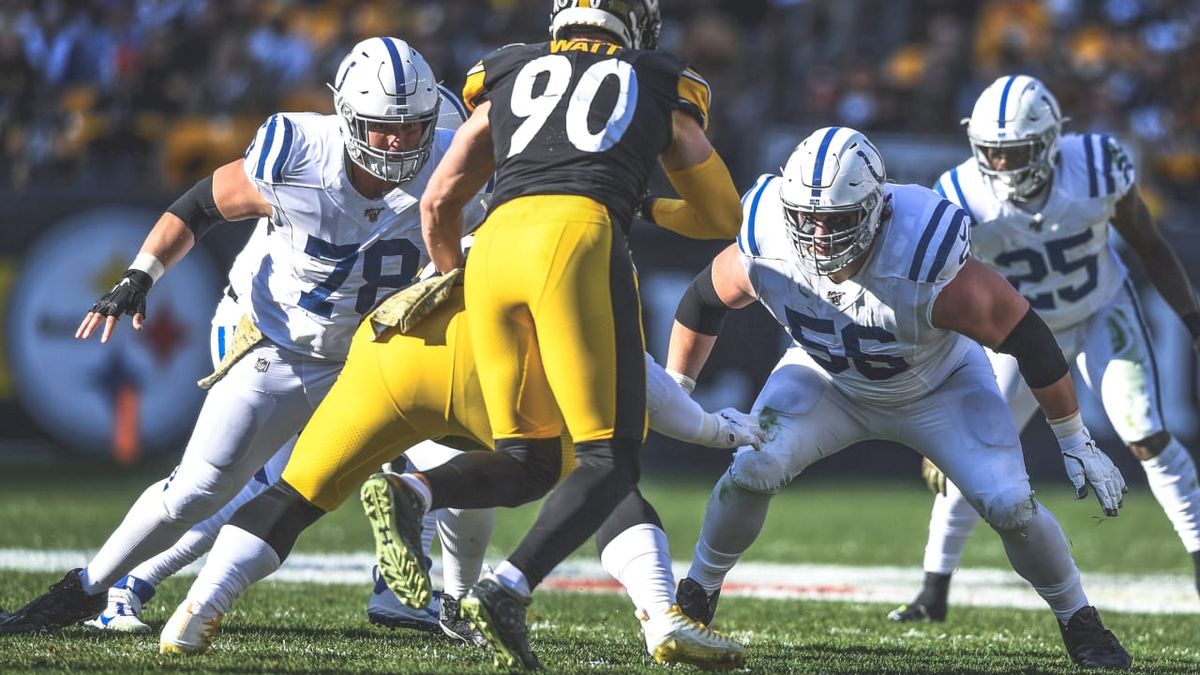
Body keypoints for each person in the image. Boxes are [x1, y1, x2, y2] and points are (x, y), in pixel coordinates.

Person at [0, 37, 487, 635]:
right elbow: (203, 203)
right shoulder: (298, 153)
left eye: (413, 128)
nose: (399, 142)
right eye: (382, 128)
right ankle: (86, 590)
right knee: (201, 491)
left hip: (373, 353)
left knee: (463, 464)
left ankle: (452, 604)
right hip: (279, 342)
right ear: (345, 116)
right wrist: (139, 275)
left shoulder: (450, 155)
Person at [667, 125, 1134, 669]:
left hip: (940, 386)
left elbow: (1026, 334)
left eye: (837, 219)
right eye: (806, 217)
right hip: (827, 378)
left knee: (1011, 505)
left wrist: (1073, 436)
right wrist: (678, 389)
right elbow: (705, 297)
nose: (819, 235)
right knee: (753, 466)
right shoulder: (766, 235)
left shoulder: (922, 254)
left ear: (876, 209)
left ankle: (1080, 620)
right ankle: (697, 592)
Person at [382, 0, 744, 668]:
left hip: (491, 250)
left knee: (531, 460)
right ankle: (509, 583)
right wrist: (646, 203)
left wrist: (455, 275)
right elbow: (722, 213)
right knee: (610, 458)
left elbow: (439, 202)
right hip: (578, 244)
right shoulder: (658, 78)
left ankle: (417, 490)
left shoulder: (509, 71)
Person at [152, 276, 758, 670]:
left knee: (298, 492)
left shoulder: (472, 201)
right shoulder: (587, 242)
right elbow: (647, 386)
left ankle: (197, 612)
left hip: (395, 352)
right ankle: (658, 616)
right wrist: (717, 429)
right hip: (490, 373)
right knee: (606, 468)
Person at [888, 74, 1200, 624]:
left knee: (1146, 433)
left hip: (1102, 308)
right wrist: (938, 405)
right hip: (1020, 333)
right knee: (972, 450)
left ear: (1052, 142)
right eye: (991, 153)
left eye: (1017, 153)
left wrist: (1193, 321)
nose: (1002, 167)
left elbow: (1150, 246)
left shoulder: (1099, 166)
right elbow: (943, 302)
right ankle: (933, 589)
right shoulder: (959, 195)